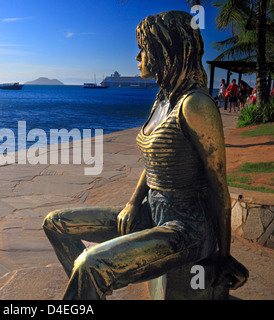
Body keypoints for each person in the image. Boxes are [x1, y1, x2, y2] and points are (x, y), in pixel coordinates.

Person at [43, 10, 248, 300]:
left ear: (166, 49)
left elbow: (218, 187)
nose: (137, 57)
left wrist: (224, 256)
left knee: (92, 264)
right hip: (153, 212)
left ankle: (89, 288)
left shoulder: (196, 105)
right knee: (55, 223)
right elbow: (155, 162)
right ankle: (90, 292)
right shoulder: (162, 100)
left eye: (143, 48)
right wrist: (132, 203)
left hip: (187, 228)